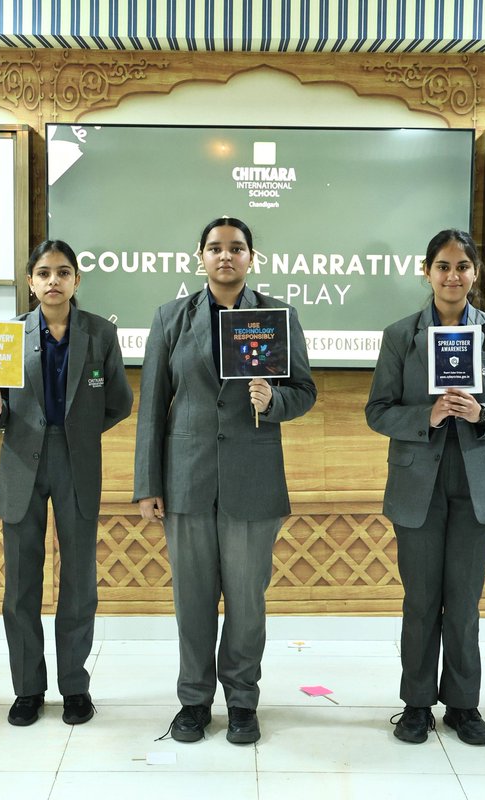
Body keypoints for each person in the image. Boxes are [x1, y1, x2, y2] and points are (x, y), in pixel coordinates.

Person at [134, 217, 316, 744]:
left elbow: (303, 390)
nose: (226, 257)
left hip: (253, 481)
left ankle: (242, 701)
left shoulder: (277, 316)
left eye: (236, 248)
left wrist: (274, 400)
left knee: (246, 601)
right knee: (191, 600)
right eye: (215, 248)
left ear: (251, 258)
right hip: (186, 479)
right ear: (200, 256)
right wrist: (149, 484)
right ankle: (193, 701)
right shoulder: (171, 318)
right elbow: (152, 409)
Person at [365, 228, 485, 746]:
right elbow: (377, 412)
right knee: (420, 601)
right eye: (443, 266)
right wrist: (425, 415)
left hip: (477, 483)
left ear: (475, 274)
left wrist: (484, 414)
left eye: (462, 266)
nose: (453, 275)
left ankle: (463, 704)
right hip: (419, 486)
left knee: (463, 603)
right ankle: (415, 704)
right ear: (427, 272)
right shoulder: (400, 335)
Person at [0, 240, 133, 728]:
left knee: (79, 583)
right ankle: (27, 689)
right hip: (22, 462)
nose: (53, 281)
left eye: (62, 272)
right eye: (43, 273)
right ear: (30, 282)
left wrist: (80, 434)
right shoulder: (6, 335)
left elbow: (119, 402)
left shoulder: (100, 334)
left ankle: (74, 687)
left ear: (76, 280)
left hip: (78, 463)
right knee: (21, 586)